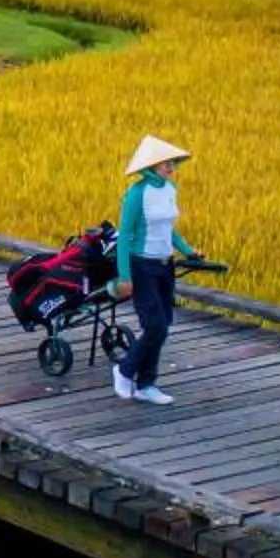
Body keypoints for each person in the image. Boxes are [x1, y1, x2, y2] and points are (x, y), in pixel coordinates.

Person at [111, 135, 201, 406]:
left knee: (163, 325)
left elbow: (167, 229)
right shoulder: (137, 194)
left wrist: (187, 250)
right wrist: (125, 276)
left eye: (173, 162)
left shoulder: (169, 190)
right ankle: (125, 369)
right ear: (151, 166)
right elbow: (125, 236)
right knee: (155, 326)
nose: (171, 166)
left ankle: (146, 384)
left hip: (165, 265)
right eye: (166, 162)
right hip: (142, 265)